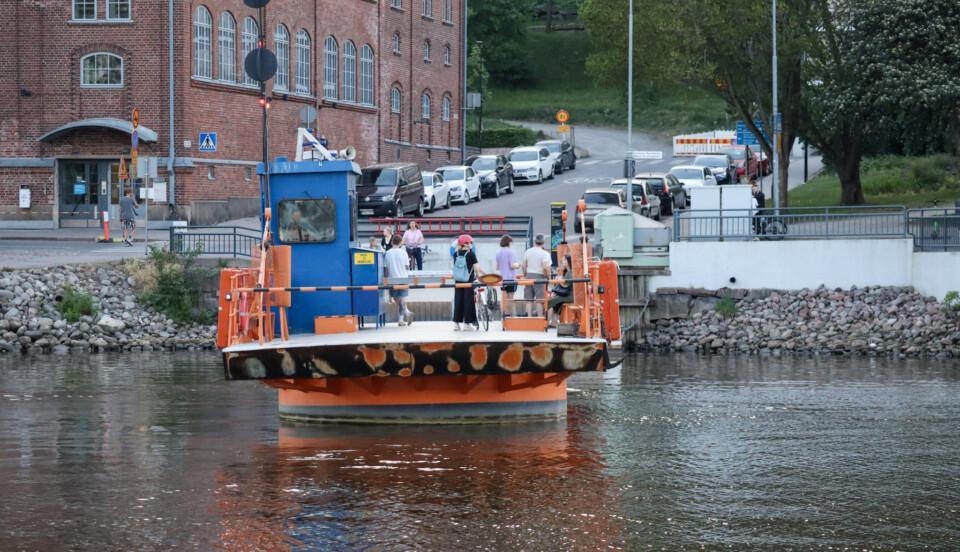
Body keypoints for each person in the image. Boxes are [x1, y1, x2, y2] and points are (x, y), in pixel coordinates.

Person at [451, 234, 483, 331]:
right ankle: (467, 324)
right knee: (468, 301)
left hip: (458, 280)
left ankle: (456, 324)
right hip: (468, 281)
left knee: (458, 301)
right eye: (469, 242)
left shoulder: (455, 254)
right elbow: (477, 268)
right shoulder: (471, 254)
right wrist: (479, 276)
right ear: (466, 243)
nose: (470, 244)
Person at [384, 234, 414, 326]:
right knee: (402, 300)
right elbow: (407, 267)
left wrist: (386, 281)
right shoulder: (404, 253)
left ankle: (404, 316)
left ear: (392, 241)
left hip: (393, 279)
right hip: (404, 278)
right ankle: (405, 315)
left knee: (397, 299)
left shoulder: (388, 253)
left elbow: (385, 268)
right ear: (400, 242)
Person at [521, 233, 552, 316]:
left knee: (529, 299)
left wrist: (525, 274)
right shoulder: (545, 254)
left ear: (535, 242)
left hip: (529, 276)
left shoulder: (528, 252)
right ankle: (539, 318)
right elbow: (546, 266)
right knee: (539, 300)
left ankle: (529, 318)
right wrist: (549, 276)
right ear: (543, 242)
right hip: (540, 277)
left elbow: (523, 265)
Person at [495, 235, 520, 316]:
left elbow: (497, 267)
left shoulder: (498, 252)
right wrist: (518, 265)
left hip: (502, 278)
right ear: (509, 242)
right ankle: (511, 316)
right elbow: (512, 265)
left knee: (504, 298)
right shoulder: (511, 252)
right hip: (510, 278)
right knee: (511, 298)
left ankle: (504, 315)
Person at [547, 260, 574, 326]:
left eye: (564, 260)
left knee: (550, 301)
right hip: (566, 294)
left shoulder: (570, 272)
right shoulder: (568, 272)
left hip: (569, 295)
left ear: (568, 262)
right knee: (554, 301)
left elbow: (566, 284)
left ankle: (547, 322)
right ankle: (553, 322)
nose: (562, 262)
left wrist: (559, 280)